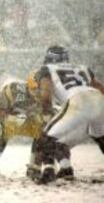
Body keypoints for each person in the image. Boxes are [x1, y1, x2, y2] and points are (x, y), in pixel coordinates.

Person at [31, 45, 104, 184]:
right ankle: (65, 169)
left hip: (77, 100)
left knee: (46, 136)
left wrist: (46, 112)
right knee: (100, 137)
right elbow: (100, 88)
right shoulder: (83, 67)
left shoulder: (47, 69)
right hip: (98, 99)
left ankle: (48, 171)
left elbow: (46, 94)